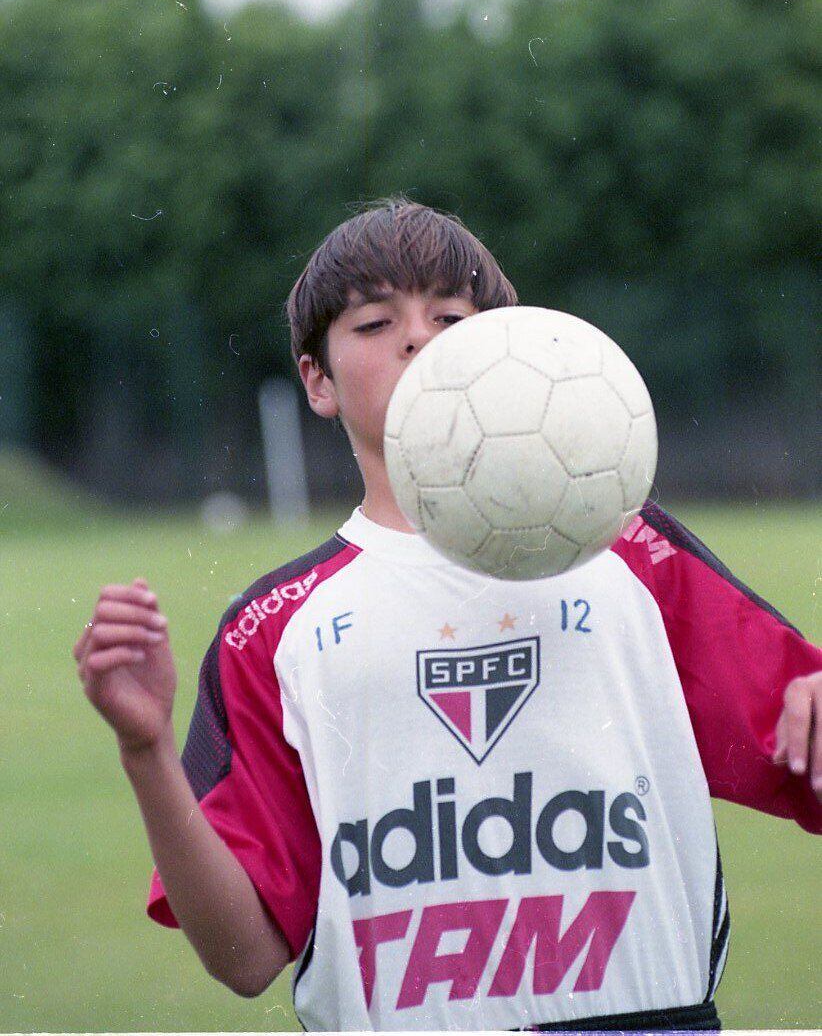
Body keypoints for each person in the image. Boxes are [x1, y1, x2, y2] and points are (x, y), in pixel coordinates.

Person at [74, 198, 821, 1032]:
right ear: (317, 380)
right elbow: (244, 957)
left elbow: (806, 750)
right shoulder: (275, 630)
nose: (418, 338)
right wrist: (145, 752)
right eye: (373, 322)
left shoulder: (627, 557)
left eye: (450, 315)